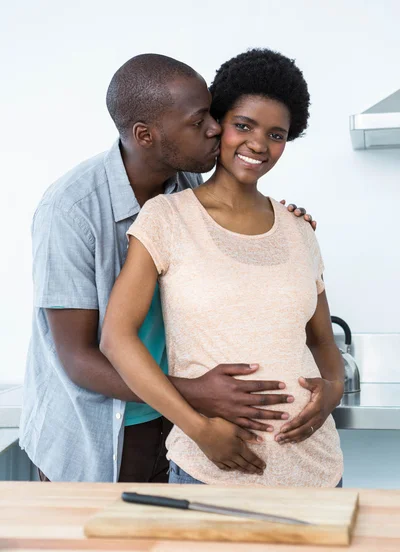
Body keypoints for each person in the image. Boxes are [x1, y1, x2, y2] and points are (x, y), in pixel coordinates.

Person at [19, 54, 314, 483]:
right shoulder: (70, 210)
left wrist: (285, 227)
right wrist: (199, 395)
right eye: (199, 122)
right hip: (105, 429)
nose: (216, 128)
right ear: (146, 135)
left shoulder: (186, 190)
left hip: (180, 422)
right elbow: (78, 359)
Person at [101, 48, 344, 487]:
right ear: (219, 124)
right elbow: (117, 340)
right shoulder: (166, 218)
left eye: (277, 134)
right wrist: (200, 430)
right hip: (210, 471)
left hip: (318, 471)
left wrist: (335, 389)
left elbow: (323, 340)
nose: (258, 144)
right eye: (244, 125)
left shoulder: (299, 230)